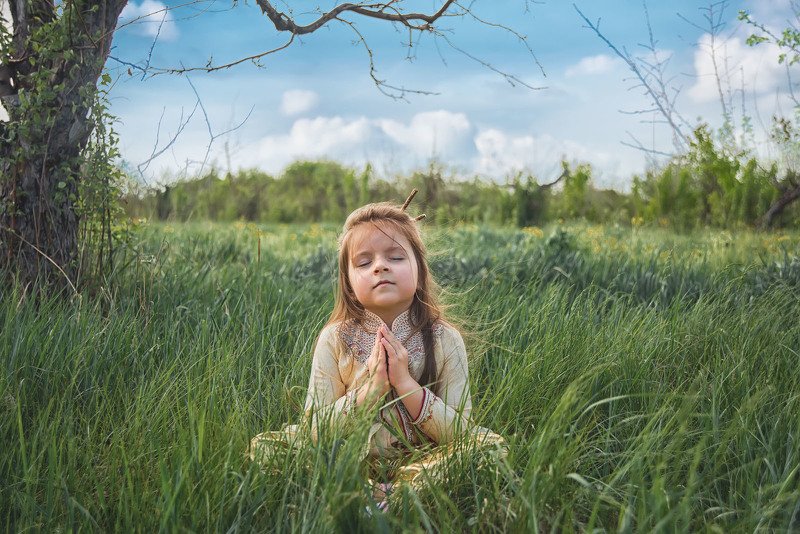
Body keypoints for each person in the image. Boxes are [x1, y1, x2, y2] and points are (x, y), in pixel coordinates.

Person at [249, 192, 505, 508]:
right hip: (347, 465)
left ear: (419, 269)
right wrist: (370, 390)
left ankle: (403, 493)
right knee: (267, 447)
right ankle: (360, 493)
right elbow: (314, 430)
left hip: (426, 463)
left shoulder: (444, 339)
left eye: (396, 258)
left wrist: (407, 385)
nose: (380, 266)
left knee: (488, 448)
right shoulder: (335, 339)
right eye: (365, 262)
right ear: (349, 282)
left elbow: (461, 434)